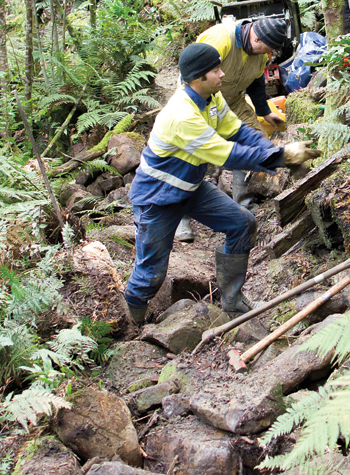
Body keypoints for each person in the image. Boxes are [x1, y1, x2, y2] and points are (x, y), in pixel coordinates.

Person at [124, 42, 318, 325]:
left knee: (241, 223)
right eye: (216, 70)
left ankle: (233, 302)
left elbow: (238, 132)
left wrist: (273, 150)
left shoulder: (211, 98)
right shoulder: (181, 115)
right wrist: (281, 157)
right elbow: (226, 154)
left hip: (190, 187)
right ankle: (134, 324)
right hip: (157, 198)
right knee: (151, 272)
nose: (223, 74)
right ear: (198, 77)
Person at [175, 14, 289, 241]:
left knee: (254, 137)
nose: (269, 55)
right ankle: (180, 218)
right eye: (268, 49)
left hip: (234, 101)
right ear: (256, 39)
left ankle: (242, 205)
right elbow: (191, 72)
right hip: (200, 100)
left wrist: (264, 112)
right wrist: (196, 109)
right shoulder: (222, 39)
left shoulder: (260, 54)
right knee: (191, 156)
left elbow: (256, 82)